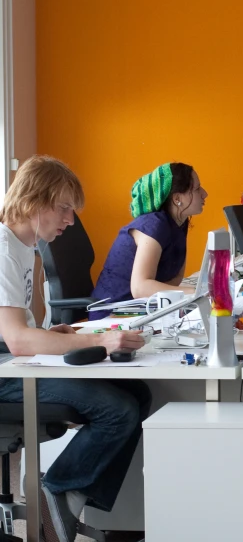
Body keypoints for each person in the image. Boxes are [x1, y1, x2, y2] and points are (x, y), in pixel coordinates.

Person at [0, 155, 151, 542]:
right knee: (117, 409)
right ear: (35, 201)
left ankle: (68, 502)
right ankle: (57, 493)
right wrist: (100, 340)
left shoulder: (23, 246)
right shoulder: (3, 251)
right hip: (6, 370)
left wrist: (58, 334)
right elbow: (17, 341)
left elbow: (18, 332)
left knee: (138, 392)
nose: (70, 219)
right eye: (64, 207)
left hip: (15, 360)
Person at [91, 162, 208, 316]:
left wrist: (197, 293)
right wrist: (199, 293)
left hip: (144, 310)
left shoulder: (180, 221)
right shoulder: (154, 225)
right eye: (197, 188)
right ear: (177, 198)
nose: (204, 193)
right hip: (113, 314)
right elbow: (140, 288)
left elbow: (175, 278)